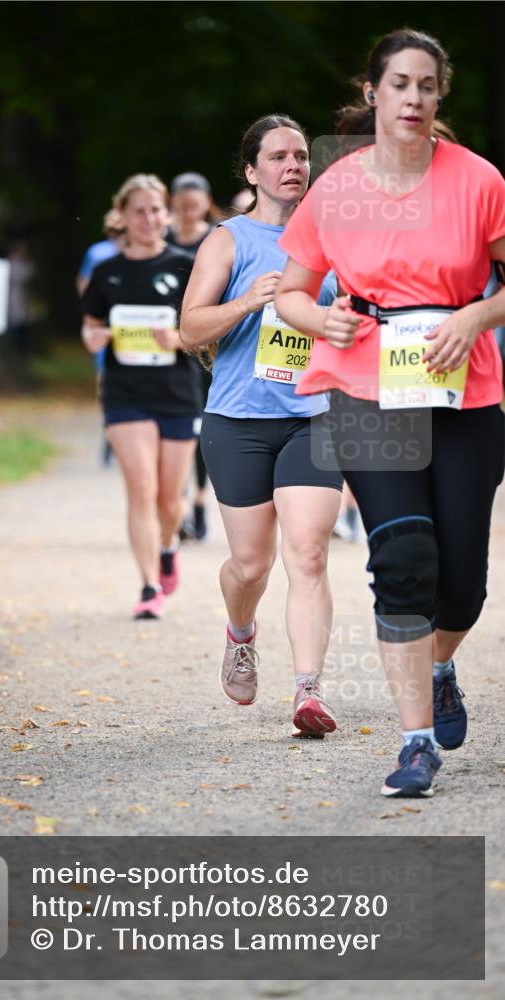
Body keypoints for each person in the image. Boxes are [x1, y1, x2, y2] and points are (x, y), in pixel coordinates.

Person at [275, 29, 505, 797]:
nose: (412, 98)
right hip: (366, 387)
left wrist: (476, 318)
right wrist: (320, 321)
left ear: (439, 98)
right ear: (372, 93)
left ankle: (440, 665)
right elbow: (291, 293)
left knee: (461, 584)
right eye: (398, 84)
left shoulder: (478, 181)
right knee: (402, 560)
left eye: (426, 86)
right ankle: (414, 745)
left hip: (462, 391)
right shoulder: (334, 188)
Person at [180, 115, 342, 735]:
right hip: (238, 420)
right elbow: (189, 329)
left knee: (308, 552)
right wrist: (251, 299)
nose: (293, 165)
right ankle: (240, 632)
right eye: (277, 157)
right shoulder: (229, 240)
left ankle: (308, 691)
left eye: (300, 155)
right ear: (252, 172)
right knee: (251, 566)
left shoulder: (332, 239)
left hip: (313, 417)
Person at [81, 174, 201, 619]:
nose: (148, 219)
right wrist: (93, 337)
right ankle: (149, 585)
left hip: (177, 392)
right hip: (124, 393)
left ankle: (168, 545)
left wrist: (179, 338)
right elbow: (91, 323)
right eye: (139, 211)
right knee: (141, 488)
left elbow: (205, 331)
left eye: (155, 210)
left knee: (170, 500)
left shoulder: (186, 266)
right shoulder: (107, 270)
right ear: (123, 217)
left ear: (166, 214)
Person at [168, 172, 215, 541]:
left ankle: (199, 501)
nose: (186, 213)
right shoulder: (163, 241)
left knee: (203, 429)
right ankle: (180, 505)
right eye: (181, 206)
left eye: (193, 206)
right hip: (165, 346)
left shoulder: (216, 239)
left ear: (205, 204)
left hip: (205, 349)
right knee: (176, 427)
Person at [77, 209, 127, 466]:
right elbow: (84, 285)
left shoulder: (138, 251)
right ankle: (110, 431)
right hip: (106, 329)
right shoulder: (98, 253)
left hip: (133, 329)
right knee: (105, 380)